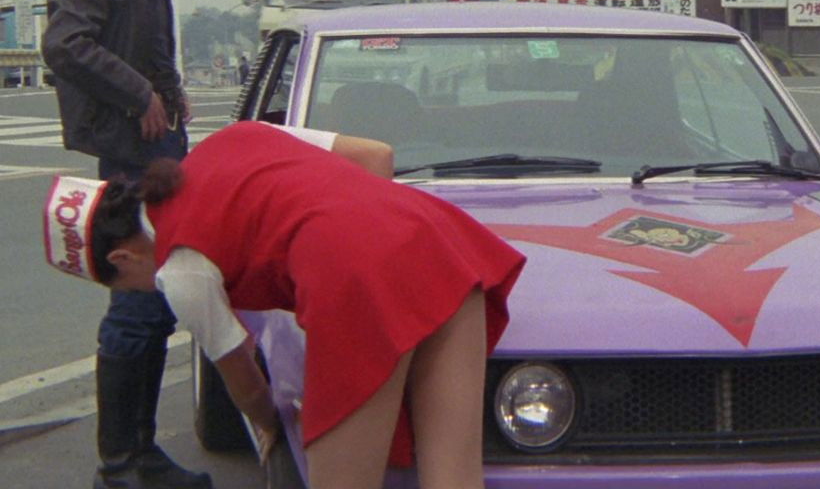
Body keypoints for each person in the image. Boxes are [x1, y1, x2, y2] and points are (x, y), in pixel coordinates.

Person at [42, 121, 527, 489]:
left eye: (128, 285)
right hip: (437, 237)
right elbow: (375, 155)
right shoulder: (236, 136)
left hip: (358, 281)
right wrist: (379, 232)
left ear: (122, 258)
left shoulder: (180, 269)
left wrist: (270, 424)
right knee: (455, 475)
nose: (142, 291)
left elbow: (247, 384)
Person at [41, 0, 207, 489]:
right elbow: (64, 42)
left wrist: (168, 88)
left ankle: (139, 453)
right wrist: (140, 92)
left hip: (154, 153)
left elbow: (142, 44)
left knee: (154, 303)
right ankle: (121, 463)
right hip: (131, 158)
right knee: (137, 305)